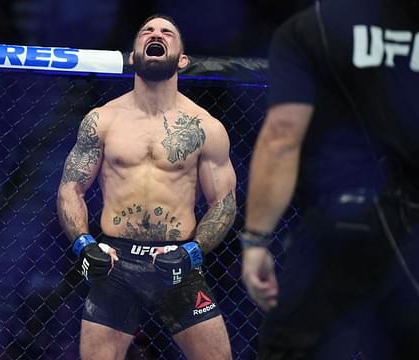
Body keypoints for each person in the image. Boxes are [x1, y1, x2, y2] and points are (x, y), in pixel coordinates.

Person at [241, 0, 419, 358]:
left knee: (291, 347)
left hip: (340, 222)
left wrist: (256, 239)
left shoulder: (312, 26)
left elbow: (281, 136)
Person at [56, 14, 236, 360]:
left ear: (182, 59)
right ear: (133, 55)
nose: (156, 34)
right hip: (113, 263)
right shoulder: (102, 120)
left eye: (167, 32)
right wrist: (83, 245)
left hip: (178, 262)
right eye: (147, 31)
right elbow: (71, 188)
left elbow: (223, 202)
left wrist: (192, 253)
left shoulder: (206, 127)